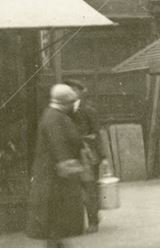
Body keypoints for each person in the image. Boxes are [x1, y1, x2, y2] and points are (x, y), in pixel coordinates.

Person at [26, 84, 85, 248]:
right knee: (56, 222)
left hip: (55, 178)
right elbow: (58, 144)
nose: (74, 105)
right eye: (72, 102)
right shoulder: (54, 117)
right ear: (66, 102)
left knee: (56, 225)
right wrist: (70, 166)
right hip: (54, 180)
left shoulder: (56, 115)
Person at [64, 81, 107, 235]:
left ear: (81, 92)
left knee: (90, 188)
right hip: (72, 154)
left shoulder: (89, 110)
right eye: (69, 90)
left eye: (74, 90)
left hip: (88, 154)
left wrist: (102, 156)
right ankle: (80, 221)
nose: (71, 92)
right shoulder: (65, 110)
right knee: (76, 189)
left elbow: (97, 133)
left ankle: (93, 221)